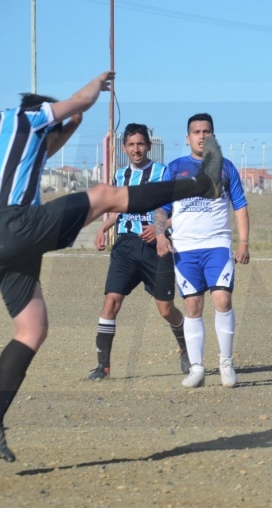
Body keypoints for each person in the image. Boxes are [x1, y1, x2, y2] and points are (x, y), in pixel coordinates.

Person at [0, 71, 223, 463]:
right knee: (106, 194)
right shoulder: (23, 115)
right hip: (13, 224)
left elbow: (47, 147)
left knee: (32, 329)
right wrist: (94, 86)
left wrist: (71, 125)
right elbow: (79, 101)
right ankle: (203, 184)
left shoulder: (1, 140)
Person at [153, 113, 250, 389]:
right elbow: (162, 207)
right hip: (185, 248)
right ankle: (197, 368)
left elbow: (240, 206)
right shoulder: (174, 168)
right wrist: (160, 235)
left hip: (217, 245)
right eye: (196, 131)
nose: (202, 136)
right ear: (187, 138)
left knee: (222, 301)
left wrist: (243, 242)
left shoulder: (226, 167)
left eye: (207, 131)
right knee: (192, 306)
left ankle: (226, 362)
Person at [87, 123, 189, 382]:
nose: (136, 149)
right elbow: (116, 208)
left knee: (165, 309)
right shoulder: (120, 177)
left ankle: (187, 347)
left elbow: (173, 210)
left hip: (157, 248)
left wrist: (158, 230)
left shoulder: (163, 173)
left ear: (148, 146)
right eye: (131, 145)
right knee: (111, 302)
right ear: (124, 148)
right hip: (125, 247)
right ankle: (103, 367)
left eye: (140, 144)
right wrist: (104, 227)